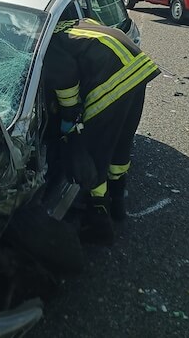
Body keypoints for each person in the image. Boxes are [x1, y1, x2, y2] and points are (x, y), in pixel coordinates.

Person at [43, 18, 161, 245]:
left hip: (111, 81)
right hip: (137, 71)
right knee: (120, 142)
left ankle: (98, 223)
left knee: (93, 150)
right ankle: (117, 203)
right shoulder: (75, 24)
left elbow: (66, 80)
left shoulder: (49, 43)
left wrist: (70, 117)